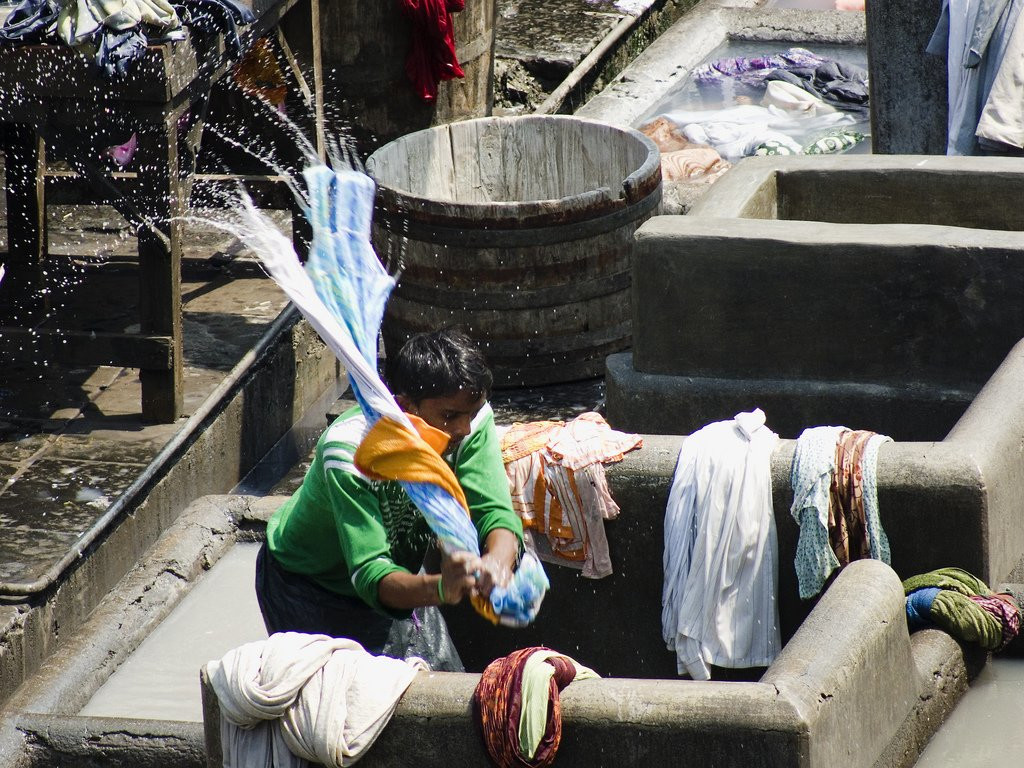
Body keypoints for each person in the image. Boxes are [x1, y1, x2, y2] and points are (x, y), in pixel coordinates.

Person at [255, 328, 522, 670]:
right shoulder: (352, 452)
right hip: (309, 588)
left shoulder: (469, 419)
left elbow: (493, 510)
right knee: (342, 697)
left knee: (443, 681)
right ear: (406, 406)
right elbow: (371, 573)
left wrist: (498, 562)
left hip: (400, 574)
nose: (464, 430)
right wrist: (441, 588)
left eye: (471, 414)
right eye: (450, 416)